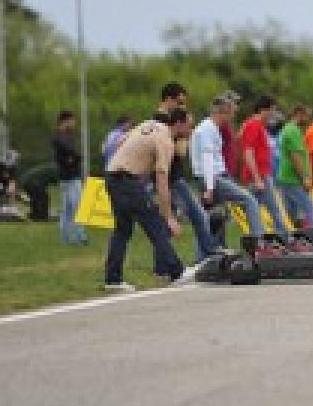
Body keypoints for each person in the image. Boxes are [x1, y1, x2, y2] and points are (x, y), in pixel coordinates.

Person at [102, 108, 190, 292]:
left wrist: (132, 161)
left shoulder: (149, 124)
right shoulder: (166, 140)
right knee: (155, 224)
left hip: (112, 176)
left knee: (122, 230)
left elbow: (120, 141)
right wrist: (169, 217)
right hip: (127, 180)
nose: (191, 130)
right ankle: (176, 272)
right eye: (189, 126)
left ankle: (113, 279)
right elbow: (162, 181)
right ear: (179, 124)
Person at [190, 94, 265, 258]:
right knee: (249, 200)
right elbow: (207, 159)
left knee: (213, 217)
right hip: (213, 178)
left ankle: (205, 255)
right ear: (223, 112)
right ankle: (260, 244)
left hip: (211, 177)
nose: (232, 117)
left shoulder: (209, 127)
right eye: (231, 113)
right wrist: (210, 188)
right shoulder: (207, 129)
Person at [153, 82, 218, 263]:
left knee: (167, 222)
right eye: (180, 102)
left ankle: (163, 265)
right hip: (171, 177)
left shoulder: (161, 120)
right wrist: (186, 134)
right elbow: (180, 151)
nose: (182, 107)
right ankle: (209, 255)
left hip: (171, 176)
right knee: (198, 216)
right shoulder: (162, 121)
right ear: (168, 99)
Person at [239, 94, 292, 242]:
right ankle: (283, 239)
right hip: (259, 176)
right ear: (264, 110)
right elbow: (248, 152)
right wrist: (257, 179)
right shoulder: (253, 125)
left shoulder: (259, 126)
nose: (273, 114)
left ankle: (261, 239)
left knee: (255, 208)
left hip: (262, 175)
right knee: (274, 209)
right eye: (272, 110)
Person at [275, 104, 313, 242]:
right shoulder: (292, 131)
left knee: (293, 213)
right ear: (299, 114)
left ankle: (295, 239)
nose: (308, 119)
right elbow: (296, 156)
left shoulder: (287, 129)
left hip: (286, 178)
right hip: (294, 179)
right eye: (307, 115)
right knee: (310, 210)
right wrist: (304, 178)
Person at [53, 110, 87, 245]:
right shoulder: (59, 137)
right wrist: (74, 156)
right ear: (65, 121)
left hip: (69, 176)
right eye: (72, 121)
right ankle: (80, 236)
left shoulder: (67, 136)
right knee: (77, 206)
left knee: (67, 209)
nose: (74, 124)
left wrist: (74, 157)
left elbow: (74, 156)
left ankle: (66, 238)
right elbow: (71, 153)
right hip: (70, 177)